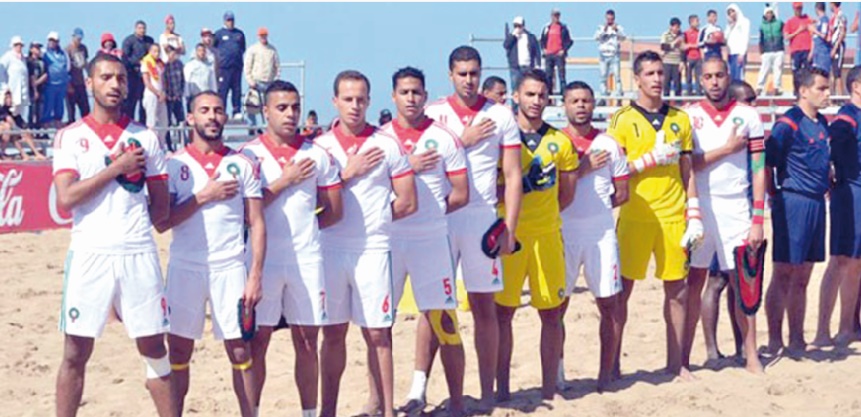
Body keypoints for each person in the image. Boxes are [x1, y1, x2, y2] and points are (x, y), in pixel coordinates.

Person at [52, 53, 174, 417]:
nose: (114, 85)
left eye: (120, 78)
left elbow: (162, 209)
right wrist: (116, 169)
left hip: (138, 251)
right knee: (75, 351)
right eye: (105, 77)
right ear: (89, 83)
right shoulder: (70, 137)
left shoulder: (145, 137)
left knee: (154, 347)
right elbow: (66, 199)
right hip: (90, 252)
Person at [423, 46, 522, 411]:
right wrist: (460, 140)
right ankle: (424, 389)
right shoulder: (434, 113)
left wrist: (508, 228)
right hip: (441, 217)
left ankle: (486, 392)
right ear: (450, 74)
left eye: (474, 73)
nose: (469, 80)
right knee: (435, 306)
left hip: (482, 219)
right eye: (462, 73)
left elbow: (512, 176)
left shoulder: (499, 115)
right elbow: (423, 161)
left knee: (485, 306)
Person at [314, 70, 417, 417]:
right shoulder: (320, 148)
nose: (355, 106)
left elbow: (407, 201)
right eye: (347, 99)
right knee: (332, 335)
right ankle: (328, 410)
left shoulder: (387, 144)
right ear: (334, 102)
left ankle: (386, 411)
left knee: (378, 334)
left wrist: (375, 223)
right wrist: (346, 174)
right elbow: (310, 206)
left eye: (360, 99)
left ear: (370, 101)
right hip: (329, 249)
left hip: (373, 251)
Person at [240, 80, 343, 417]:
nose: (290, 114)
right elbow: (244, 214)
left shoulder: (317, 154)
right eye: (282, 108)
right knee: (258, 342)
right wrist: (283, 181)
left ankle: (309, 413)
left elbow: (334, 210)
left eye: (295, 107)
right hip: (263, 261)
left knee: (306, 341)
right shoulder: (248, 156)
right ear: (266, 111)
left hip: (307, 260)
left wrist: (307, 234)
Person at [158, 91, 265, 417]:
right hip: (184, 267)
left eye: (218, 110)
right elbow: (163, 223)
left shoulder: (243, 162)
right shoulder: (175, 164)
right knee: (178, 350)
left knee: (238, 349)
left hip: (230, 267)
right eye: (204, 110)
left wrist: (255, 275)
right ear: (191, 118)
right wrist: (203, 196)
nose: (213, 116)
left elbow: (257, 222)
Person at [380, 67, 469, 417]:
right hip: (389, 242)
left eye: (417, 92)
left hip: (432, 241)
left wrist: (430, 218)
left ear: (425, 94)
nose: (411, 99)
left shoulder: (444, 137)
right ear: (393, 97)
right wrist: (406, 166)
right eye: (404, 92)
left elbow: (461, 194)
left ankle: (458, 404)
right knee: (378, 325)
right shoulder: (381, 140)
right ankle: (379, 402)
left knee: (444, 322)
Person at [608, 50, 702, 380]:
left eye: (660, 73)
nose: (657, 79)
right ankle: (613, 363)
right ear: (637, 79)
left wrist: (694, 212)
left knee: (677, 290)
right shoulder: (622, 119)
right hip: (635, 215)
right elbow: (614, 173)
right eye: (650, 73)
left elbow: (687, 170)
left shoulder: (680, 118)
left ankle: (678, 364)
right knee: (622, 292)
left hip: (673, 215)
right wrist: (647, 160)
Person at [495, 68, 578, 401]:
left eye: (542, 95)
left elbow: (566, 195)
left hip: (546, 236)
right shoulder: (503, 138)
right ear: (516, 96)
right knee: (504, 314)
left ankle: (548, 388)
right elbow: (490, 188)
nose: (536, 101)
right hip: (509, 237)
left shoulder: (560, 141)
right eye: (529, 94)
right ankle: (502, 389)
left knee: (552, 313)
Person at [684, 57, 767, 374]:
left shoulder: (748, 114)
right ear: (700, 79)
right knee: (695, 282)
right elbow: (689, 164)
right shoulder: (689, 116)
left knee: (743, 281)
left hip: (737, 207)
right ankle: (684, 358)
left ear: (727, 76)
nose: (714, 81)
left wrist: (757, 218)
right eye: (708, 76)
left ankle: (750, 355)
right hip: (700, 206)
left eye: (719, 75)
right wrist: (728, 149)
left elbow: (759, 169)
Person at [559, 80, 628, 391]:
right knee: (557, 308)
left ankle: (605, 375)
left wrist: (596, 211)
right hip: (562, 234)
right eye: (575, 100)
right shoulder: (555, 142)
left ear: (594, 104)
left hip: (601, 235)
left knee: (609, 304)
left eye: (586, 100)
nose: (581, 106)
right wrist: (581, 169)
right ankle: (557, 373)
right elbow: (548, 192)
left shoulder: (609, 144)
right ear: (565, 105)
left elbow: (622, 193)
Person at [764, 67, 831, 357]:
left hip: (817, 203)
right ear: (804, 91)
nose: (827, 93)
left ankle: (797, 338)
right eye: (822, 88)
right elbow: (766, 163)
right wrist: (774, 196)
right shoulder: (787, 124)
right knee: (784, 272)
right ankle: (776, 340)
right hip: (792, 202)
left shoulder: (823, 123)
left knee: (804, 274)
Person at [696, 79, 756, 364]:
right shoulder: (721, 132)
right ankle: (711, 349)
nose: (750, 105)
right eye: (746, 100)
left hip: (739, 208)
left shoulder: (747, 128)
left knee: (739, 283)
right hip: (716, 208)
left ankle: (742, 347)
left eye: (753, 100)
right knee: (717, 282)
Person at [813, 65, 861, 348]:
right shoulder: (847, 117)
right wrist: (836, 179)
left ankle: (846, 327)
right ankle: (822, 331)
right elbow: (831, 154)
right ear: (856, 85)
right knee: (841, 260)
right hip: (850, 192)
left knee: (856, 263)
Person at [244, 27, 280, 126]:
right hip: (256, 83)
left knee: (269, 109)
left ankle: (268, 129)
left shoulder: (272, 50)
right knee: (251, 107)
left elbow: (277, 66)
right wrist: (250, 81)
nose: (263, 37)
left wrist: (275, 80)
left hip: (269, 83)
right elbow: (247, 67)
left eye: (264, 35)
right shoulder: (252, 49)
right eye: (261, 35)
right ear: (258, 36)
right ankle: (252, 129)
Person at [214, 11, 247, 120]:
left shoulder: (239, 34)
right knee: (223, 90)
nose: (230, 22)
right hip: (224, 68)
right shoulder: (218, 34)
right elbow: (214, 49)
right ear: (224, 21)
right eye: (228, 20)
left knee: (237, 90)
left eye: (232, 20)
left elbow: (242, 48)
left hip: (236, 67)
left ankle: (236, 110)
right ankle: (221, 110)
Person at [122, 20, 154, 123]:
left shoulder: (149, 41)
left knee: (144, 101)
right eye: (140, 28)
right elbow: (125, 57)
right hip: (133, 74)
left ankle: (142, 122)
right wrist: (137, 62)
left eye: (144, 28)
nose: (142, 30)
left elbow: (153, 54)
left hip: (146, 74)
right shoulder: (129, 40)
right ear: (135, 29)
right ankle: (129, 121)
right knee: (131, 101)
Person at [0, 89, 46, 160]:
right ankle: (5, 154)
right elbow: (9, 120)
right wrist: (19, 131)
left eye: (10, 98)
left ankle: (36, 153)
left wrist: (24, 129)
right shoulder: (2, 110)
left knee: (25, 133)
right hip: (6, 132)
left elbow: (20, 122)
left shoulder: (13, 111)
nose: (9, 100)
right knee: (12, 132)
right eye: (7, 98)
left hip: (13, 132)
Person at [504, 16, 540, 96]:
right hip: (515, 67)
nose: (517, 28)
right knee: (515, 89)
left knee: (528, 88)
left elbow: (537, 51)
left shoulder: (530, 37)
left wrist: (538, 64)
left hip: (528, 66)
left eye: (519, 26)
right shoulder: (512, 37)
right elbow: (506, 45)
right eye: (515, 26)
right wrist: (513, 36)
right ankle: (515, 108)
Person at [141, 43, 168, 150]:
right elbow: (147, 82)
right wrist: (157, 92)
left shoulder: (160, 64)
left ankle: (162, 145)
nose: (156, 53)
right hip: (151, 94)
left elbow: (163, 79)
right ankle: (152, 146)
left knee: (163, 121)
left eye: (158, 51)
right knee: (151, 121)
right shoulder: (145, 62)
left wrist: (163, 92)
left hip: (161, 94)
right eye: (154, 51)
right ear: (150, 52)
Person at [540, 9, 573, 96]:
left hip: (559, 55)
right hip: (549, 55)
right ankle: (549, 95)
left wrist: (563, 50)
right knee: (548, 76)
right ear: (551, 16)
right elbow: (542, 40)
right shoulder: (547, 28)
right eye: (554, 15)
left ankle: (563, 95)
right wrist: (544, 49)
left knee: (561, 76)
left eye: (557, 15)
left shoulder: (563, 28)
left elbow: (569, 41)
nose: (556, 17)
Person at [594, 9, 626, 97]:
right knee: (603, 76)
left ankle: (619, 93)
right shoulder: (601, 27)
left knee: (617, 76)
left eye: (611, 19)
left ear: (614, 18)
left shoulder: (618, 27)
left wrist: (616, 31)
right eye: (608, 19)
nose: (609, 21)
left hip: (614, 54)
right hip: (603, 55)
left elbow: (623, 37)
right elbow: (596, 37)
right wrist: (603, 30)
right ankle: (603, 93)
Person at [41, 31, 69, 129]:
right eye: (50, 40)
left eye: (54, 41)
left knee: (59, 108)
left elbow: (67, 68)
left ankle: (58, 130)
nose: (52, 43)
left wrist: (68, 82)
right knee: (48, 107)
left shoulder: (63, 53)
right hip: (50, 85)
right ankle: (45, 131)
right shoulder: (44, 53)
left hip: (61, 85)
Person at [0, 36, 31, 119]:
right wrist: (5, 86)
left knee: (20, 114)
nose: (19, 47)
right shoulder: (7, 56)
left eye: (20, 45)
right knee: (11, 112)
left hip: (23, 92)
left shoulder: (23, 58)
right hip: (12, 91)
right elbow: (1, 71)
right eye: (16, 45)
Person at [758, 6, 785, 95]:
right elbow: (761, 39)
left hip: (778, 49)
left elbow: (786, 32)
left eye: (770, 13)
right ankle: (760, 87)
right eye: (767, 13)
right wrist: (761, 51)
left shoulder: (779, 23)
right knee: (764, 69)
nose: (769, 15)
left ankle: (777, 87)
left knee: (778, 69)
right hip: (767, 50)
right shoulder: (762, 26)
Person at [785, 2, 813, 86]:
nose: (799, 10)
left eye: (800, 8)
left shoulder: (807, 19)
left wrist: (812, 50)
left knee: (808, 72)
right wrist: (798, 31)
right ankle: (796, 90)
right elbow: (787, 37)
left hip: (807, 50)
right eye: (797, 8)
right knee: (796, 72)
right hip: (796, 51)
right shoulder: (790, 22)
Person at [163, 46, 185, 150]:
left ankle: (183, 143)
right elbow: (163, 82)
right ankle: (169, 146)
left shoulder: (179, 64)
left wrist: (180, 93)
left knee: (181, 121)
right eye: (170, 53)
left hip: (178, 97)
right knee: (167, 123)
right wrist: (167, 94)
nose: (172, 55)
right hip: (168, 98)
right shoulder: (164, 66)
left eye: (174, 53)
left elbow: (182, 80)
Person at [66, 28, 90, 122]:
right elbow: (66, 69)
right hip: (71, 83)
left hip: (81, 83)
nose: (78, 40)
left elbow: (85, 64)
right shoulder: (67, 49)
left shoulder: (83, 48)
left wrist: (90, 75)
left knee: (85, 110)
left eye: (80, 38)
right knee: (71, 111)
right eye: (77, 38)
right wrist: (68, 85)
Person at [726, 4, 751, 81]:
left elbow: (745, 38)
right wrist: (730, 26)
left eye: (733, 11)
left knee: (739, 76)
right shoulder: (729, 25)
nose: (731, 14)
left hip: (739, 54)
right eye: (729, 12)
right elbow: (725, 38)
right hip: (730, 54)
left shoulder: (744, 22)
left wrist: (742, 53)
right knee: (732, 76)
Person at [661, 18, 684, 97]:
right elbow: (663, 47)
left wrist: (682, 62)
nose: (677, 29)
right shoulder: (665, 34)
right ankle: (666, 103)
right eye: (676, 27)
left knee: (677, 84)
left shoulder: (681, 35)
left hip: (677, 62)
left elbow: (683, 49)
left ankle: (678, 103)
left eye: (678, 27)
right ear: (671, 26)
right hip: (667, 62)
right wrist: (674, 43)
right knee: (666, 83)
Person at [829, 2, 848, 95]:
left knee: (837, 72)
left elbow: (842, 32)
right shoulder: (833, 16)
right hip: (832, 45)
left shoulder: (841, 16)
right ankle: (833, 96)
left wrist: (835, 47)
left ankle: (840, 97)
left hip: (838, 46)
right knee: (833, 72)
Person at [683, 15, 704, 96]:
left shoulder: (699, 33)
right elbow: (684, 46)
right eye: (696, 21)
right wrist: (692, 45)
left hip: (698, 58)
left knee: (698, 77)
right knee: (688, 78)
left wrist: (691, 45)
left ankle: (698, 95)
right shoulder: (686, 33)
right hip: (689, 58)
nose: (698, 23)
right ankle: (689, 95)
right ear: (691, 22)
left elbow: (700, 45)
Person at [26, 41, 45, 128]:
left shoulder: (42, 61)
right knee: (32, 110)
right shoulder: (29, 61)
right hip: (31, 90)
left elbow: (46, 74)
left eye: (38, 48)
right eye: (36, 48)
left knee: (40, 111)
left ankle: (39, 130)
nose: (38, 50)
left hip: (42, 89)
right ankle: (31, 128)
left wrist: (39, 82)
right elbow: (31, 76)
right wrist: (35, 88)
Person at [810, 2, 833, 73]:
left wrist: (814, 30)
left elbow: (824, 35)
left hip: (823, 54)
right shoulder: (819, 21)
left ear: (817, 9)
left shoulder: (824, 20)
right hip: (817, 53)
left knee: (822, 74)